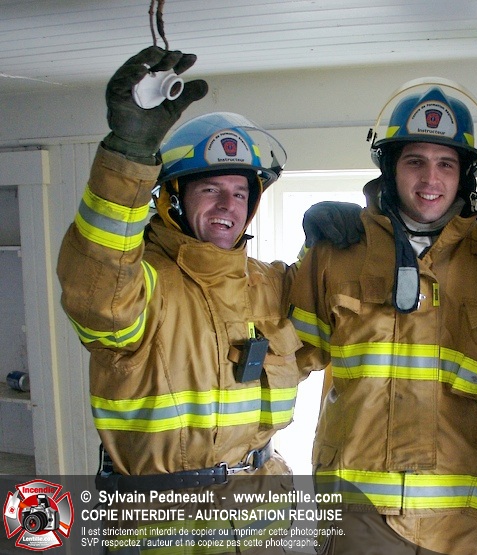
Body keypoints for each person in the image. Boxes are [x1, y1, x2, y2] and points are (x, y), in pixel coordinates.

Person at [56, 46, 310, 551]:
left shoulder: (272, 285)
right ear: (173, 197)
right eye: (210, 190)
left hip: (263, 518)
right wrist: (128, 156)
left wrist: (358, 236)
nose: (227, 206)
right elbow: (98, 285)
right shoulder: (142, 281)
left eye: (240, 193)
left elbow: (340, 320)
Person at [290, 78, 477, 554]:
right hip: (358, 517)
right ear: (390, 168)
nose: (430, 179)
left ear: (465, 175)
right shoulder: (337, 249)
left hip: (461, 527)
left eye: (446, 164)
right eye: (415, 161)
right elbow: (282, 355)